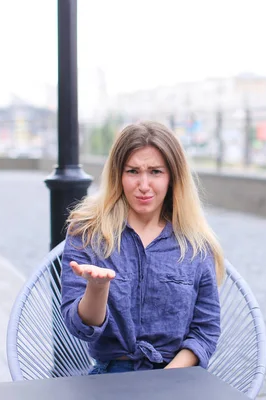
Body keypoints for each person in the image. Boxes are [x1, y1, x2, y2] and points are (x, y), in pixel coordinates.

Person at [60, 121, 225, 375]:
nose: (144, 185)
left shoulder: (195, 244)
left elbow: (205, 330)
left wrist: (165, 379)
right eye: (133, 171)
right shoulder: (87, 232)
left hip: (174, 377)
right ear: (118, 175)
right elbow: (78, 327)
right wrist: (97, 288)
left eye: (156, 172)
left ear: (172, 177)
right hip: (110, 379)